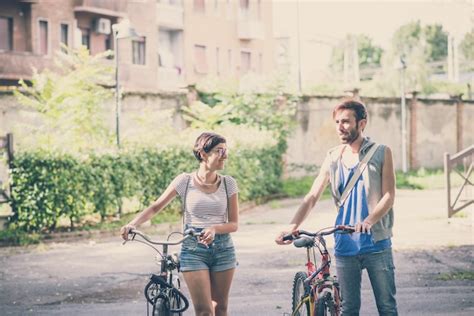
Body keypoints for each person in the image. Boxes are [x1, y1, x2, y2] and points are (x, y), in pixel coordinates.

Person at [276, 99, 398, 315]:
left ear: (362, 123)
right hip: (345, 243)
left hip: (376, 242)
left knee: (386, 306)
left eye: (346, 122)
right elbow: (313, 195)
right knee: (349, 308)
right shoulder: (333, 157)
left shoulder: (381, 152)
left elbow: (389, 195)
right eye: (337, 122)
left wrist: (369, 221)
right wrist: (292, 226)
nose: (340, 127)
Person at [121, 132, 239, 316]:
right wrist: (132, 223)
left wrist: (215, 228)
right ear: (203, 154)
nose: (225, 155)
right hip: (193, 250)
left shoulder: (228, 183)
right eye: (219, 150)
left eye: (226, 150)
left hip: (223, 249)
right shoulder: (185, 181)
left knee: (220, 308)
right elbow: (156, 207)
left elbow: (234, 224)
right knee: (205, 311)